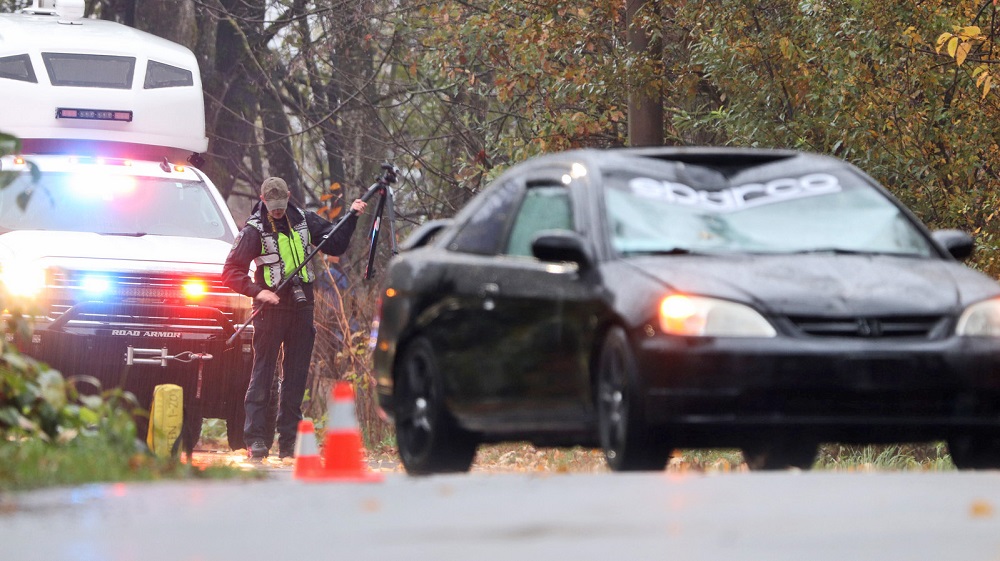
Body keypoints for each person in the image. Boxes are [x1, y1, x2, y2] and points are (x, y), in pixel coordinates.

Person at [222, 176, 367, 461]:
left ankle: (288, 443)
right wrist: (257, 292)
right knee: (263, 373)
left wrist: (351, 217)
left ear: (288, 196)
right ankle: (256, 439)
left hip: (302, 307)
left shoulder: (304, 219)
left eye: (281, 204)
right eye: (272, 205)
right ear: (263, 200)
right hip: (270, 309)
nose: (277, 210)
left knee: (296, 376)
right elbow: (230, 272)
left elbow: (335, 244)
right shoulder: (253, 231)